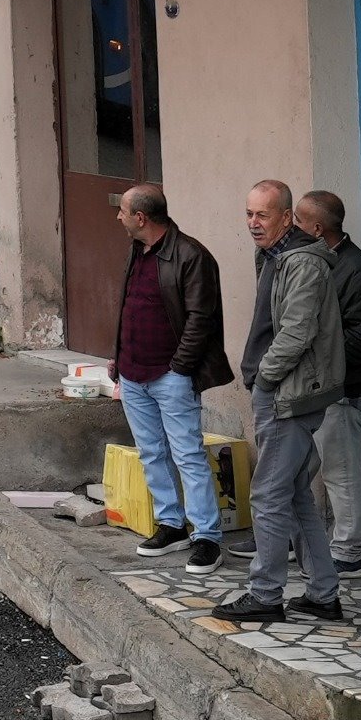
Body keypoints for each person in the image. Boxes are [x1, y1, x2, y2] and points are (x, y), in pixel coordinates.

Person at [213, 180, 344, 626]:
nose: (253, 223)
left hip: (289, 395)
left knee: (268, 494)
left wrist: (265, 378)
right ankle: (324, 594)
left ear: (287, 217)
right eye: (249, 214)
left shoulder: (303, 263)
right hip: (280, 391)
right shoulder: (272, 255)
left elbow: (296, 332)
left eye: (262, 215)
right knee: (294, 496)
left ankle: (265, 594)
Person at [111, 185, 231, 571]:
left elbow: (201, 319)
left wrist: (179, 369)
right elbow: (130, 306)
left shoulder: (191, 255)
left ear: (141, 218)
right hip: (133, 373)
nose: (119, 217)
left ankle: (207, 536)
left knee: (188, 455)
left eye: (123, 211)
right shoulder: (138, 249)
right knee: (151, 453)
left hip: (170, 375)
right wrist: (118, 358)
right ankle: (171, 523)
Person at [295, 189, 361, 575]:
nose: (292, 226)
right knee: (312, 469)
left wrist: (313, 351)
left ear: (316, 228)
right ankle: (301, 539)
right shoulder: (322, 262)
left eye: (298, 220)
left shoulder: (358, 270)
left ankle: (349, 553)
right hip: (317, 389)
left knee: (342, 473)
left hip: (343, 391)